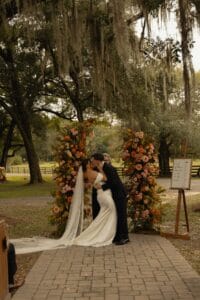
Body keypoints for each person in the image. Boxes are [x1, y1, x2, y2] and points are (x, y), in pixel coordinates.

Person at [12, 159, 117, 253]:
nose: (93, 163)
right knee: (111, 213)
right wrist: (100, 168)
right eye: (90, 163)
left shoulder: (87, 174)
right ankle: (100, 234)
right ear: (88, 165)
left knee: (104, 215)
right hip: (104, 195)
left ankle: (99, 232)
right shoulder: (93, 172)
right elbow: (106, 178)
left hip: (101, 195)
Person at [91, 153, 129, 245]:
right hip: (110, 194)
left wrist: (101, 187)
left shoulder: (109, 168)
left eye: (93, 159)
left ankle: (124, 237)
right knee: (114, 214)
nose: (91, 161)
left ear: (98, 160)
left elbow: (114, 182)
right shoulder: (97, 168)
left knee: (121, 215)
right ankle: (115, 235)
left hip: (119, 193)